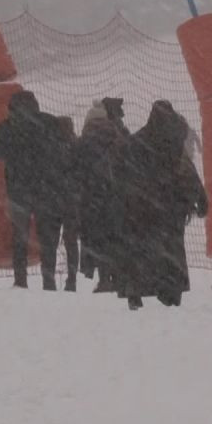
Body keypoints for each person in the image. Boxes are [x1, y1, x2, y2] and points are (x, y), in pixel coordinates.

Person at [119, 101, 207, 311]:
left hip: (142, 208)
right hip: (172, 208)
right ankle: (171, 291)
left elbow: (122, 174)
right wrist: (201, 199)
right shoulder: (175, 142)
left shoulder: (136, 142)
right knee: (172, 250)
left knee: (140, 249)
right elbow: (187, 171)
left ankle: (136, 289)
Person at [0, 90, 65, 290]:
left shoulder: (5, 127)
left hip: (18, 189)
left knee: (20, 235)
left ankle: (20, 279)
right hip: (46, 188)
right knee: (47, 237)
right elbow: (60, 153)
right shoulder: (50, 123)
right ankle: (49, 279)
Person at [74, 101, 127, 293]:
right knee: (116, 237)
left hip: (91, 198)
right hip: (116, 196)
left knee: (97, 239)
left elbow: (75, 171)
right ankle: (118, 277)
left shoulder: (82, 142)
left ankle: (104, 279)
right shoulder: (118, 138)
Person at [54, 116, 81, 292]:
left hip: (54, 198)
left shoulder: (51, 145)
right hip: (73, 199)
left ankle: (48, 279)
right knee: (71, 241)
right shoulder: (78, 145)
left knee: (51, 239)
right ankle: (72, 279)